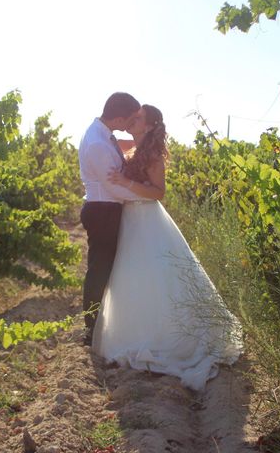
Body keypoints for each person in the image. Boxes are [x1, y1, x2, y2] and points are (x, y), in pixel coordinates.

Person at [91, 104, 242, 391]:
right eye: (131, 116)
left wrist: (124, 181)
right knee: (133, 278)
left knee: (156, 276)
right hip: (131, 219)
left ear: (148, 126)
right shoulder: (133, 145)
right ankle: (134, 333)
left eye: (138, 118)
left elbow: (159, 192)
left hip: (147, 218)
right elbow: (109, 142)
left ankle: (162, 338)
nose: (132, 120)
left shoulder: (153, 155)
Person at [78, 92, 146, 347]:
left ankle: (100, 324)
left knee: (106, 268)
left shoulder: (103, 135)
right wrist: (146, 197)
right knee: (99, 270)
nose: (129, 125)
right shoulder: (97, 142)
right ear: (118, 117)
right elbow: (113, 187)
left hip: (106, 208)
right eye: (129, 120)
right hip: (102, 210)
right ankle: (91, 329)